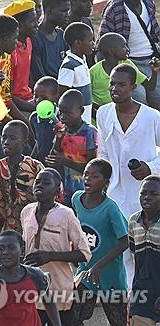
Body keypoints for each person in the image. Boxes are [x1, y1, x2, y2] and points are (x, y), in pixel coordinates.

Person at [96, 64, 160, 289]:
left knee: (144, 249)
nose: (115, 88)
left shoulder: (152, 116)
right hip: (115, 193)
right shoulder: (103, 113)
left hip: (146, 195)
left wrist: (150, 168)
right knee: (119, 247)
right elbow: (102, 151)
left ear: (133, 87)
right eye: (112, 83)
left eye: (121, 84)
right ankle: (127, 297)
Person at [21, 168, 91, 325]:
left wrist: (50, 256)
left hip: (59, 290)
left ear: (57, 189)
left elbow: (84, 254)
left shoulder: (66, 215)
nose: (39, 185)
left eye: (46, 183)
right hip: (32, 290)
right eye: (37, 182)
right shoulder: (27, 212)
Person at [70, 159, 128, 325]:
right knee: (72, 316)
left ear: (106, 182)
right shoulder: (76, 199)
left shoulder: (110, 208)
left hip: (110, 276)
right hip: (86, 272)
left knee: (118, 321)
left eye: (94, 176)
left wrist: (100, 266)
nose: (87, 179)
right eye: (86, 174)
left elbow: (125, 241)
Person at [0, 230, 61, 326]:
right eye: (1, 248)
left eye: (11, 248)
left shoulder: (36, 276)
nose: (5, 252)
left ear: (22, 250)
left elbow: (49, 302)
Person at [99, 0, 160, 108]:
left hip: (150, 60)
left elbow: (155, 33)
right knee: (139, 96)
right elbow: (104, 40)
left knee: (157, 96)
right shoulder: (115, 8)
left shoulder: (148, 4)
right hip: (128, 62)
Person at [46, 89, 97, 206]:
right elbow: (51, 160)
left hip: (87, 191)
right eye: (61, 112)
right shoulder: (63, 130)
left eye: (68, 113)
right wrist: (58, 138)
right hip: (66, 190)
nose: (63, 117)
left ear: (81, 111)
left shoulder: (89, 132)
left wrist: (66, 162)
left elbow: (93, 167)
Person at [0, 120, 44, 236]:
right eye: (4, 137)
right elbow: (0, 197)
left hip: (33, 221)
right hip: (10, 223)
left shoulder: (34, 166)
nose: (6, 142)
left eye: (12, 138)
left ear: (24, 142)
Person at [90, 32, 160, 107]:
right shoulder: (94, 72)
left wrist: (154, 71)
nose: (128, 49)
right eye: (123, 46)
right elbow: (87, 97)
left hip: (122, 111)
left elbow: (149, 86)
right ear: (111, 51)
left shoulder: (127, 64)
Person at [128, 176, 160, 325]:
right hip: (142, 295)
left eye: (154, 194)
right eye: (143, 193)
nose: (147, 197)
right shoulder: (133, 221)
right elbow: (137, 261)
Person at [0, 15, 30, 125]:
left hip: (0, 114)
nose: (17, 43)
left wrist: (25, 124)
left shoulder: (5, 58)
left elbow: (6, 99)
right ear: (6, 40)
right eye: (15, 38)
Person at [5, 0, 39, 113]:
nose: (37, 24)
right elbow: (8, 95)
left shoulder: (28, 41)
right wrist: (34, 108)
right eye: (32, 21)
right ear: (19, 25)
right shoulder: (10, 53)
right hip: (17, 104)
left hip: (29, 97)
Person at [58, 22, 94, 123]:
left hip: (85, 114)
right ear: (78, 43)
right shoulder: (69, 65)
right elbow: (62, 93)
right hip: (75, 119)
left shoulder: (82, 59)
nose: (93, 43)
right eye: (90, 40)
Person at [31, 0, 70, 82]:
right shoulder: (35, 38)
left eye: (68, 10)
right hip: (48, 89)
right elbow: (39, 76)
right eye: (63, 11)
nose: (67, 15)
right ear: (49, 11)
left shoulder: (62, 35)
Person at [30, 77, 60, 165]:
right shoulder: (34, 118)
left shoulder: (61, 117)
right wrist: (32, 160)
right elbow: (38, 141)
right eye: (36, 95)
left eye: (44, 97)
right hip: (41, 163)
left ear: (56, 97)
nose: (38, 100)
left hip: (56, 163)